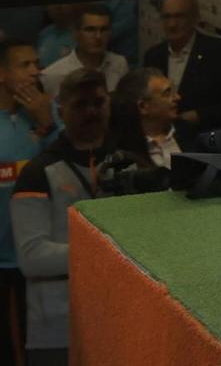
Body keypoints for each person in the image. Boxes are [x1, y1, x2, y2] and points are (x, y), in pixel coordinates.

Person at [11, 71, 110, 363]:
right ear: (61, 109)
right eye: (80, 105)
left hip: (115, 323)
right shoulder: (37, 173)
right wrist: (104, 253)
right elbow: (32, 257)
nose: (91, 111)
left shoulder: (128, 165)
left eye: (99, 102)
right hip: (57, 332)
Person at [0, 38, 56, 347]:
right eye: (25, 65)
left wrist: (46, 123)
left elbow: (61, 171)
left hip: (37, 255)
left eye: (38, 64)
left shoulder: (47, 114)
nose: (36, 71)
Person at [142, 0, 221, 133]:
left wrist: (201, 115)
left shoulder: (218, 52)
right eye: (167, 17)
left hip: (203, 139)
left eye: (179, 17)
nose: (172, 24)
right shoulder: (153, 56)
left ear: (195, 19)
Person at [38, 4, 125, 97]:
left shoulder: (119, 64)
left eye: (104, 30)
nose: (98, 37)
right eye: (90, 30)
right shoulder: (53, 75)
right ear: (75, 33)